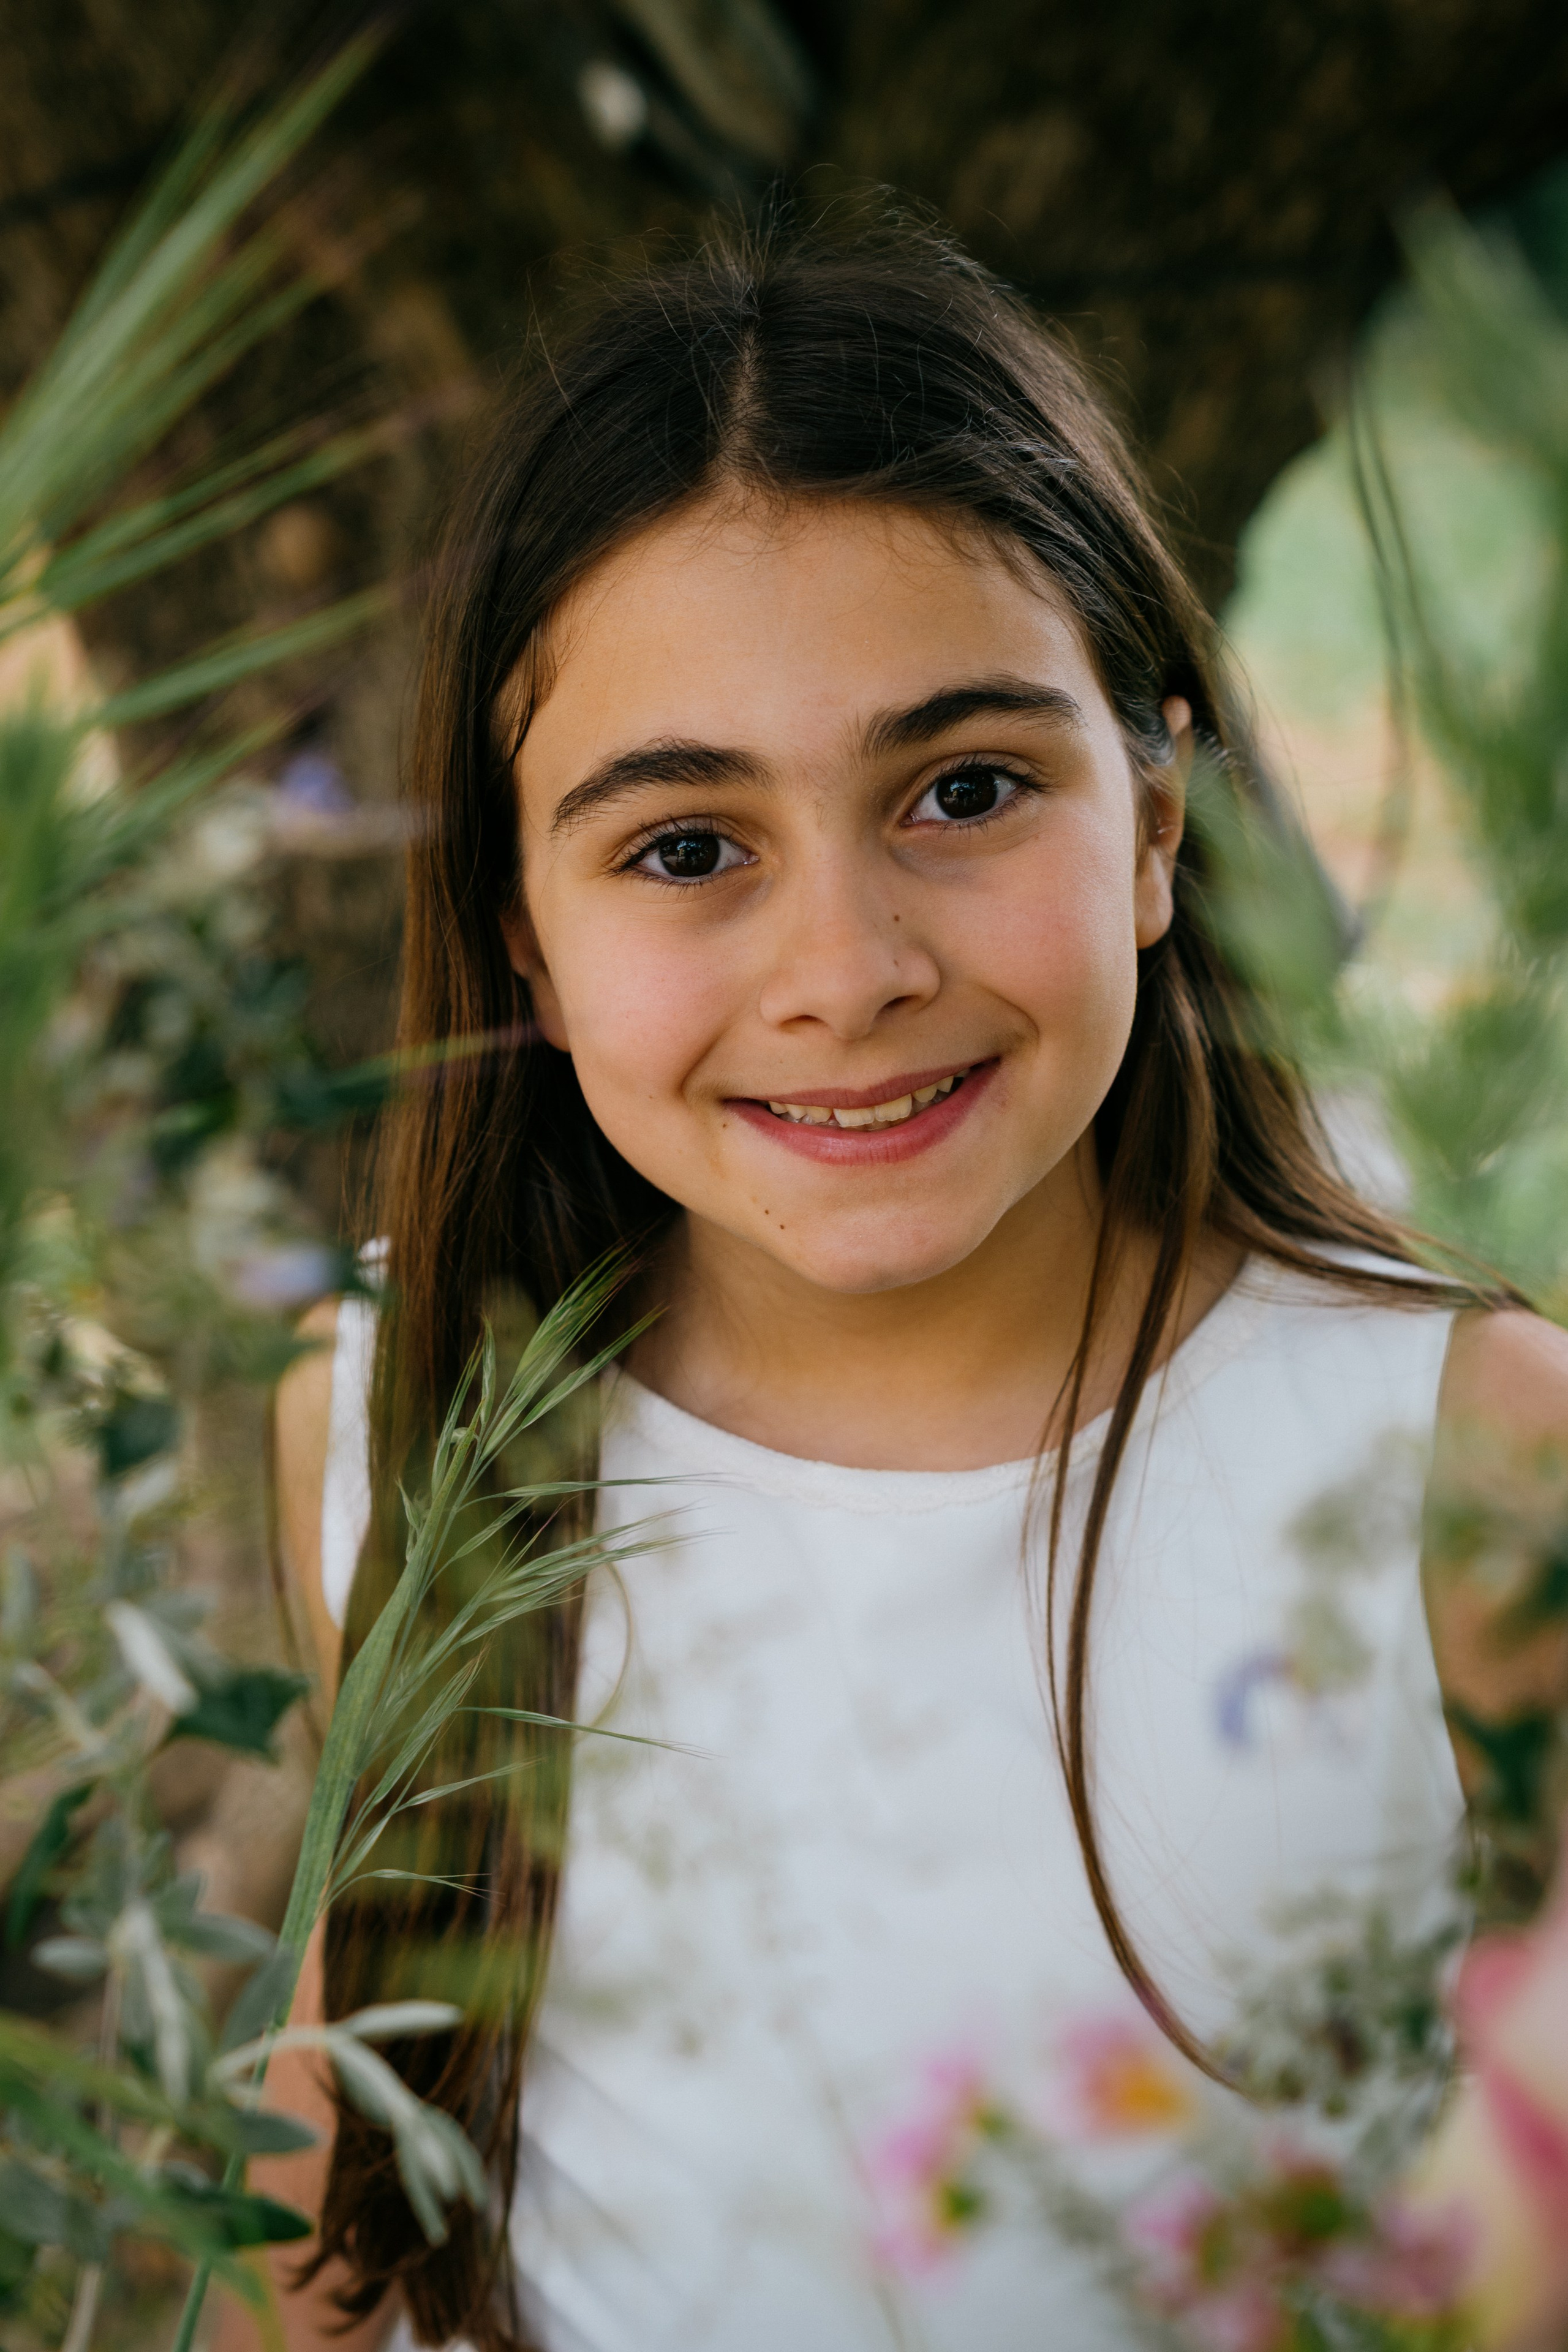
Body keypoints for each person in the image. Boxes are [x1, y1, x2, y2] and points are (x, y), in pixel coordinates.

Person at [229, 217, 1568, 2352]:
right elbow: (360, 2122)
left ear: (1160, 818)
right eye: (687, 848)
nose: (846, 973)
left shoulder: (1478, 1475)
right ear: (522, 937)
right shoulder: (404, 1417)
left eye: (965, 792)